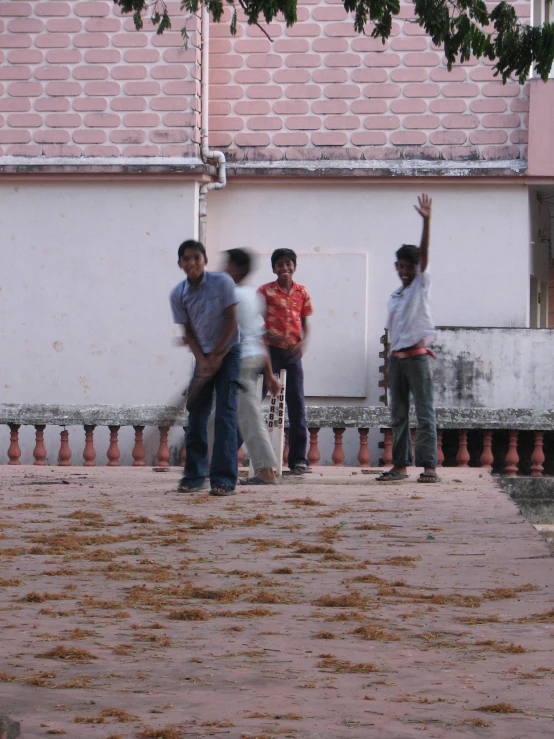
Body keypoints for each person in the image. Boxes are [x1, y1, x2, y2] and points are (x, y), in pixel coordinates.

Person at [169, 239, 241, 496]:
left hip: (230, 352)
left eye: (196, 258)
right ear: (180, 264)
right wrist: (203, 362)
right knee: (196, 413)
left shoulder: (222, 283)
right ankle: (194, 475)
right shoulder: (178, 293)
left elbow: (232, 322)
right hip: (203, 356)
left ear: (205, 261)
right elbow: (188, 332)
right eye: (186, 259)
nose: (192, 263)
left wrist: (216, 358)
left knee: (225, 413)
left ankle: (223, 479)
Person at [377, 194, 439, 483]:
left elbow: (424, 254)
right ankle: (400, 466)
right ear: (396, 267)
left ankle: (428, 467)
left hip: (417, 359)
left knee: (424, 412)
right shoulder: (395, 296)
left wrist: (426, 221)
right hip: (399, 360)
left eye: (409, 267)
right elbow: (391, 334)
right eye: (400, 267)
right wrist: (389, 366)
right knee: (398, 415)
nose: (404, 272)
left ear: (416, 268)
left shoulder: (419, 286)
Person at [224, 249, 281, 485]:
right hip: (251, 358)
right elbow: (260, 336)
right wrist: (268, 374)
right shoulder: (252, 295)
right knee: (225, 416)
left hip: (240, 359)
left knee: (248, 416)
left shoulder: (233, 294)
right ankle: (217, 465)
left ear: (236, 268)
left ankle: (266, 470)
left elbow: (229, 334)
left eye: (227, 265)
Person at [258, 248, 313, 475]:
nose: (284, 268)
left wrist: (303, 343)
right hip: (270, 353)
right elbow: (255, 325)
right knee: (254, 401)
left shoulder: (302, 292)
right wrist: (271, 338)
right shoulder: (265, 292)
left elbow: (305, 324)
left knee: (297, 405)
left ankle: (299, 460)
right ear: (273, 268)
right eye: (279, 265)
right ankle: (232, 453)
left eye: (288, 264)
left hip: (292, 356)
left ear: (295, 266)